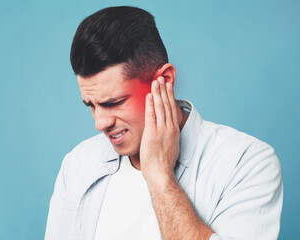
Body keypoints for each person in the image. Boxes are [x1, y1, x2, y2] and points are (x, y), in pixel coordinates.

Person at [45, 6, 283, 240]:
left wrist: (160, 176)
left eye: (114, 102)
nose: (100, 123)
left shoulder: (246, 164)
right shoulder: (77, 164)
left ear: (165, 81)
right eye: (91, 105)